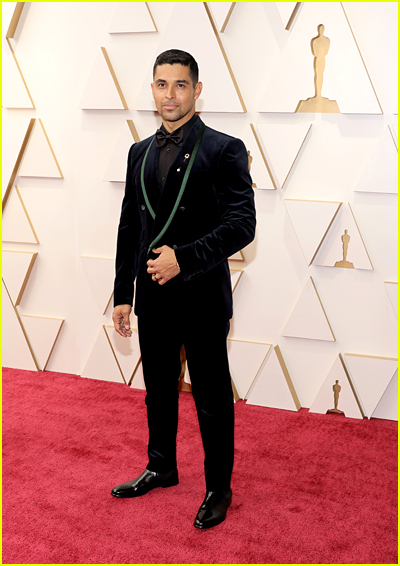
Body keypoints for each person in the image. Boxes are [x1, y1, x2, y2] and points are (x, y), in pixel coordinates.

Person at [111, 49, 256, 529]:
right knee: (157, 389)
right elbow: (130, 226)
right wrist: (124, 292)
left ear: (197, 89)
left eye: (179, 84)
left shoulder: (224, 148)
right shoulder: (139, 151)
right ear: (152, 89)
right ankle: (161, 466)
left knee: (211, 396)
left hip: (201, 297)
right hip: (152, 297)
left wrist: (185, 258)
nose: (169, 94)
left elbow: (243, 225)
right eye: (160, 84)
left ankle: (218, 487)